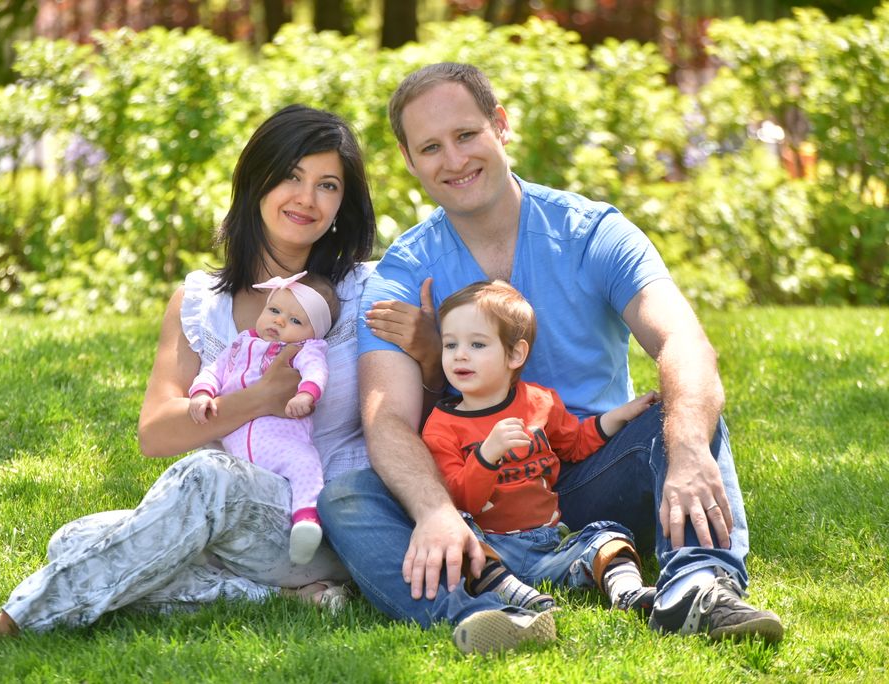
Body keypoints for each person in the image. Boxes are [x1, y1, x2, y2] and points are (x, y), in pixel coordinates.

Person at [319, 62, 784, 652]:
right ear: (410, 161)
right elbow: (386, 418)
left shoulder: (592, 232)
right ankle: (489, 615)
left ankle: (696, 588)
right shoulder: (405, 271)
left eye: (466, 135)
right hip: (475, 493)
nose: (454, 160)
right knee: (348, 499)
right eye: (431, 147)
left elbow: (683, 342)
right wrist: (435, 511)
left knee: (683, 410)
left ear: (500, 125)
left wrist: (689, 451)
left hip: (592, 469)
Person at [0, 104, 378, 653]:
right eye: (292, 176)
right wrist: (257, 399)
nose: (307, 198)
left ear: (342, 205)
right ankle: (276, 597)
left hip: (318, 522)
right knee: (75, 539)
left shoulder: (364, 293)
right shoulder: (201, 302)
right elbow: (156, 433)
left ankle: (7, 623)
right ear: (257, 181)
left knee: (206, 475)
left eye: (327, 185)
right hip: (222, 523)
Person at [424, 280, 660, 647]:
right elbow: (459, 498)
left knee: (606, 534)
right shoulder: (442, 426)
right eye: (450, 344)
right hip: (493, 550)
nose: (460, 356)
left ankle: (627, 592)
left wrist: (619, 416)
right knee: (459, 530)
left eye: (477, 344)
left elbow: (575, 444)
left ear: (515, 355)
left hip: (550, 544)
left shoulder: (538, 402)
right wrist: (487, 455)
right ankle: (513, 593)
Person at [186, 270, 341, 565]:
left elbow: (316, 371)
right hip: (235, 445)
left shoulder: (304, 349)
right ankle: (207, 542)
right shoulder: (241, 344)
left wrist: (306, 395)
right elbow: (214, 371)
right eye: (275, 310)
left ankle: (306, 521)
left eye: (296, 321)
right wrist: (203, 392)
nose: (279, 321)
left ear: (314, 333)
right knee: (215, 480)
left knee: (305, 464)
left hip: (281, 440)